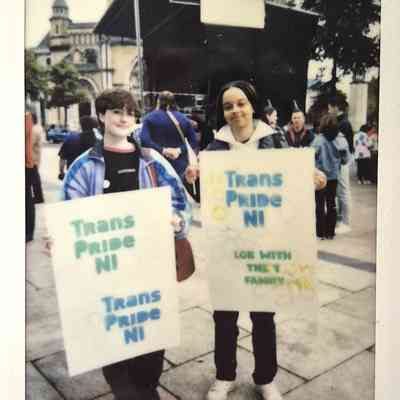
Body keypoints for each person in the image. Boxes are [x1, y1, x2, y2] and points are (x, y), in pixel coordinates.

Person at [60, 88, 191, 400]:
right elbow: (68, 214)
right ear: (102, 115)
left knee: (150, 340)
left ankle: (147, 389)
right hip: (106, 275)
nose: (123, 118)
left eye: (129, 112)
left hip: (148, 271)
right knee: (113, 341)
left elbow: (179, 200)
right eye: (116, 111)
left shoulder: (151, 160)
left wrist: (175, 220)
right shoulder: (84, 165)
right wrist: (62, 240)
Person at [187, 81, 289, 400]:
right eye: (229, 106)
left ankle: (265, 378)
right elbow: (206, 198)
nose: (236, 111)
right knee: (225, 314)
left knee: (263, 315)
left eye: (241, 103)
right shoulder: (215, 146)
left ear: (252, 105)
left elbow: (291, 182)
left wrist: (310, 179)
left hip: (264, 242)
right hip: (226, 243)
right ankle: (224, 376)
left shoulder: (274, 141)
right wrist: (194, 180)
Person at [140, 91, 199, 202]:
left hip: (158, 164)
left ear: (158, 101)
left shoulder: (149, 118)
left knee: (162, 200)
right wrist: (179, 150)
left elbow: (144, 140)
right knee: (182, 198)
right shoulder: (183, 119)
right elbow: (194, 141)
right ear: (174, 102)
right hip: (182, 166)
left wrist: (163, 150)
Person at [311, 114, 350, 239]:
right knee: (332, 204)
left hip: (320, 178)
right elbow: (345, 160)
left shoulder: (318, 139)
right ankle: (330, 232)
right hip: (333, 177)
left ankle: (320, 233)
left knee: (319, 205)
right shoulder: (341, 139)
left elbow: (311, 156)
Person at [327, 97, 354, 234]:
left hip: (343, 160)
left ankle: (346, 222)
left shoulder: (343, 123)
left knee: (343, 191)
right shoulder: (343, 122)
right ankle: (342, 221)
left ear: (336, 107)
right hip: (341, 160)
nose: (329, 110)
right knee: (340, 192)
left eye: (330, 107)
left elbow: (344, 145)